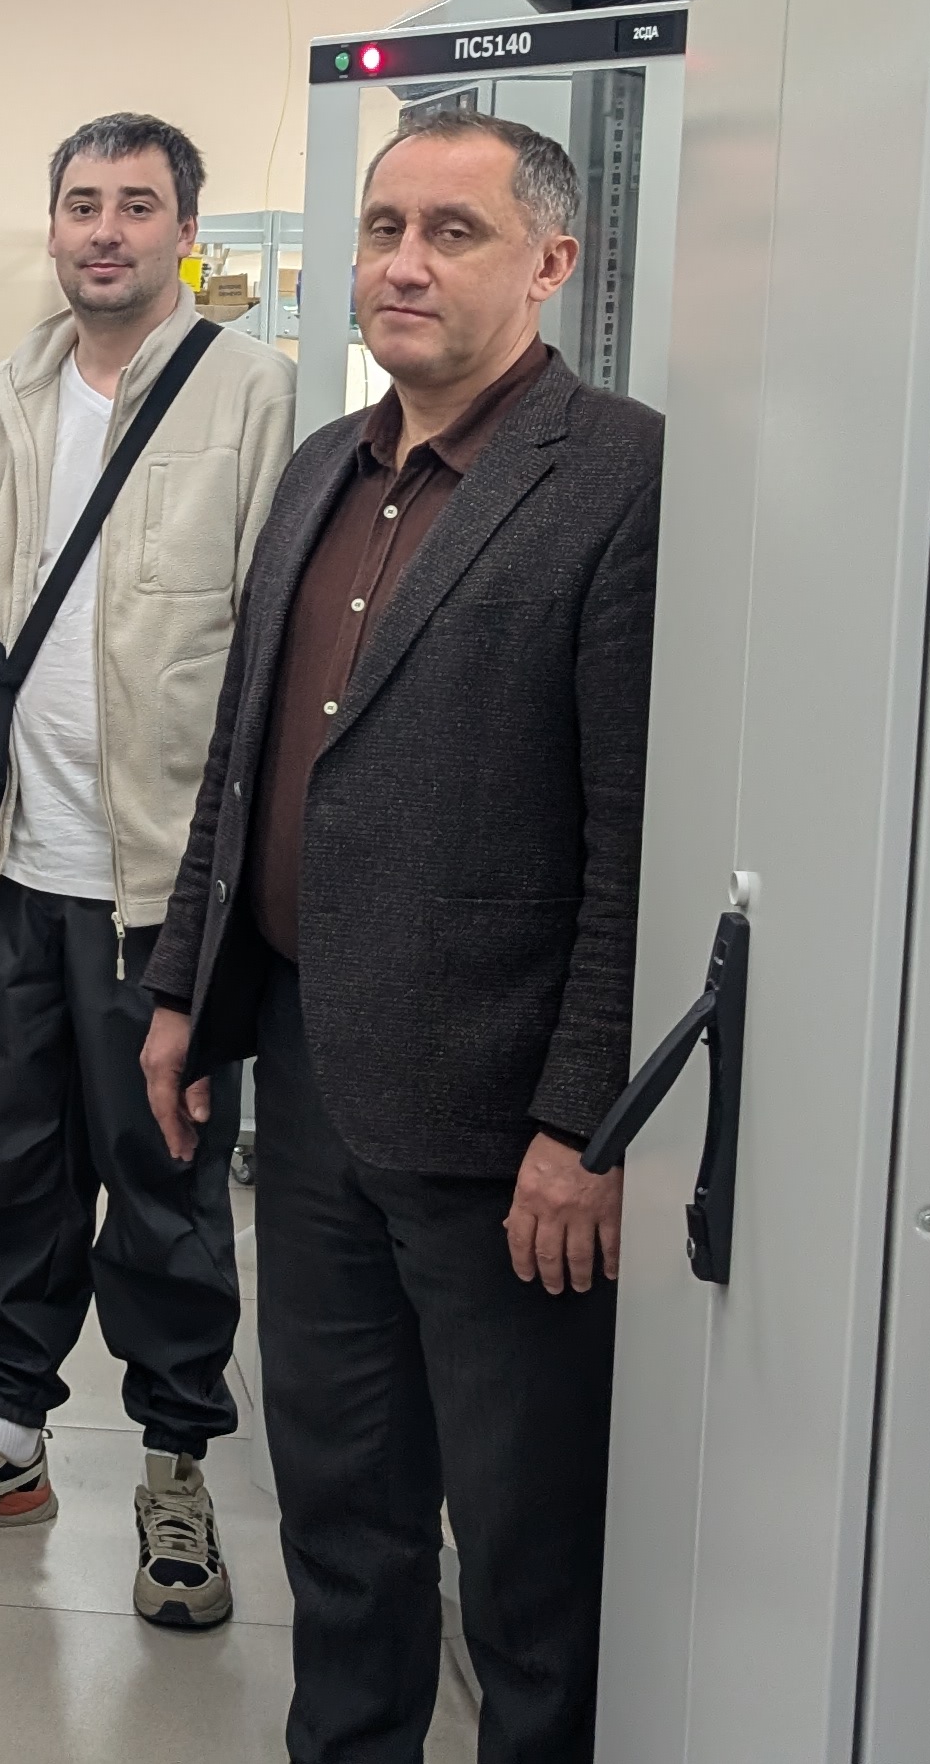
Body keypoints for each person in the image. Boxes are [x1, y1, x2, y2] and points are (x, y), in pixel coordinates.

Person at [140, 108, 660, 1761]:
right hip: (309, 1078)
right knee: (341, 1512)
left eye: (454, 231)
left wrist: (583, 1123)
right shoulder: (326, 468)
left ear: (552, 261)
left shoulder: (622, 477)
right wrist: (187, 996)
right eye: (384, 229)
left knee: (523, 1556)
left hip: (500, 1123)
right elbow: (245, 765)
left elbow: (635, 840)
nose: (406, 265)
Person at [0, 115, 295, 1622]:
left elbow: (265, 656)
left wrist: (236, 889)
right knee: (17, 1169)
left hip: (160, 889)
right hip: (9, 865)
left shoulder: (251, 394)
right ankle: (9, 1440)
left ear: (185, 228)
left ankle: (175, 1472)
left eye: (137, 206)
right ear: (52, 226)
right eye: (83, 204)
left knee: (166, 1186)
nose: (106, 230)